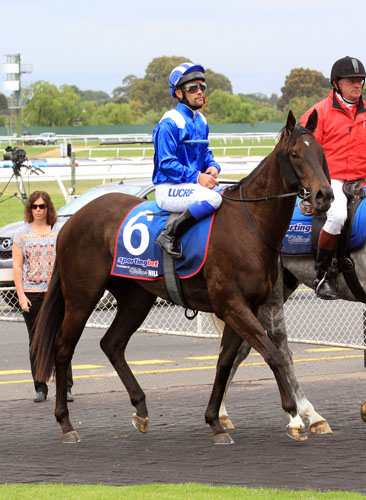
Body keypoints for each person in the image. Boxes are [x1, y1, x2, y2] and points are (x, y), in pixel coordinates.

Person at [300, 56, 366, 300]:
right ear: (336, 83)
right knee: (338, 215)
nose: (357, 85)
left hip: (362, 179)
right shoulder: (318, 112)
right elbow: (303, 153)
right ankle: (324, 274)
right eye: (352, 81)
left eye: (360, 81)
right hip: (332, 179)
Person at [152, 62, 222, 259]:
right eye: (193, 88)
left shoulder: (202, 120)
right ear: (179, 93)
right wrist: (197, 176)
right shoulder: (169, 123)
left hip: (191, 184)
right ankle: (168, 235)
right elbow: (166, 165)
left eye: (202, 87)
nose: (200, 92)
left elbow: (205, 151)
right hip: (169, 188)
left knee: (230, 194)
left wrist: (212, 167)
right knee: (214, 198)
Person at [12, 191, 74, 402]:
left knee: (61, 339)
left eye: (42, 206)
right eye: (34, 207)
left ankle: (65, 387)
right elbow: (17, 266)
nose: (38, 210)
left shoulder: (60, 231)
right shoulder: (21, 234)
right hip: (31, 294)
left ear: (49, 208)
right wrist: (21, 295)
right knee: (36, 341)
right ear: (29, 209)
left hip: (56, 293)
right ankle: (40, 386)